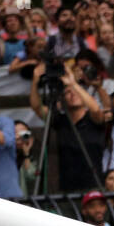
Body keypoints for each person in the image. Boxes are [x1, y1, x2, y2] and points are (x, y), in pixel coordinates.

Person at [29, 59, 106, 193]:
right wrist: (35, 79)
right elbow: (37, 107)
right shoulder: (61, 120)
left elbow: (95, 109)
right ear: (63, 99)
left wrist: (73, 84)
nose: (72, 95)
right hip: (67, 186)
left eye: (76, 92)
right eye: (68, 93)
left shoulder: (93, 119)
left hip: (94, 184)